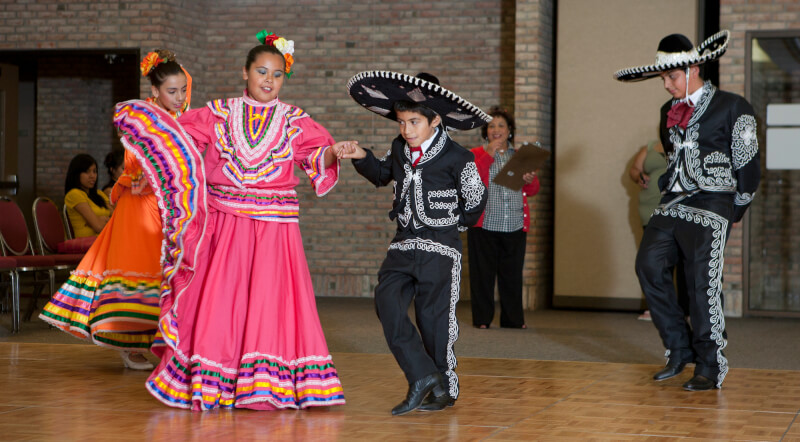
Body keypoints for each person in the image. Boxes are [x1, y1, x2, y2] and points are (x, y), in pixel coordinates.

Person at [114, 31, 355, 411]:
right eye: (261, 71)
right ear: (245, 72)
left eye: (277, 75)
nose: (268, 80)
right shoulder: (218, 113)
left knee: (268, 303)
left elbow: (315, 156)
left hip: (275, 228)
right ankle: (218, 378)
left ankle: (264, 384)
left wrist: (332, 153)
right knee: (222, 301)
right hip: (226, 224)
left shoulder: (295, 120)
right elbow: (178, 143)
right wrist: (152, 164)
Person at [615, 30, 760, 391]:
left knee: (700, 282)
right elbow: (670, 155)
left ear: (694, 68)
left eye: (671, 77)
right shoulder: (667, 112)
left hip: (714, 201)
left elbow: (749, 165)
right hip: (673, 201)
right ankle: (679, 350)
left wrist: (735, 210)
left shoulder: (733, 105)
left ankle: (710, 365)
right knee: (647, 264)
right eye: (663, 78)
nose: (665, 85)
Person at [341, 71, 488, 415]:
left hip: (440, 251)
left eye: (414, 122)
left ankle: (443, 388)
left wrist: (450, 227)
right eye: (402, 122)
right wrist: (361, 155)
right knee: (387, 302)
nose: (406, 130)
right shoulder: (398, 148)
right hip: (403, 246)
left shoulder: (459, 158)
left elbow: (474, 202)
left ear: (435, 120)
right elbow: (381, 175)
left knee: (434, 321)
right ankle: (422, 375)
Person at [40, 49, 191, 370]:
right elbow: (137, 163)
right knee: (142, 272)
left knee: (161, 273)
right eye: (171, 91)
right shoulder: (143, 119)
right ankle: (127, 343)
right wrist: (141, 179)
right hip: (139, 209)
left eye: (183, 90)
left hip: (163, 207)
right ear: (154, 91)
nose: (179, 97)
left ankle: (157, 342)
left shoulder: (174, 120)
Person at [468, 107, 540, 329]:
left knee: (512, 276)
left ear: (510, 131)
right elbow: (472, 183)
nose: (496, 130)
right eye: (491, 126)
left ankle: (513, 320)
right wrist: (489, 154)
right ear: (485, 131)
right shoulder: (475, 154)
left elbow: (533, 189)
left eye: (501, 126)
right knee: (482, 276)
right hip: (484, 224)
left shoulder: (519, 156)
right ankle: (482, 319)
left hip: (514, 223)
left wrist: (529, 178)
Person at [63, 153, 111, 238]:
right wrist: (101, 220)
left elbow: (118, 218)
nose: (92, 176)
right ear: (76, 174)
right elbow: (98, 227)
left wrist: (98, 220)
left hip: (104, 238)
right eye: (87, 172)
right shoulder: (74, 194)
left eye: (94, 171)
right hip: (87, 242)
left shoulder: (99, 194)